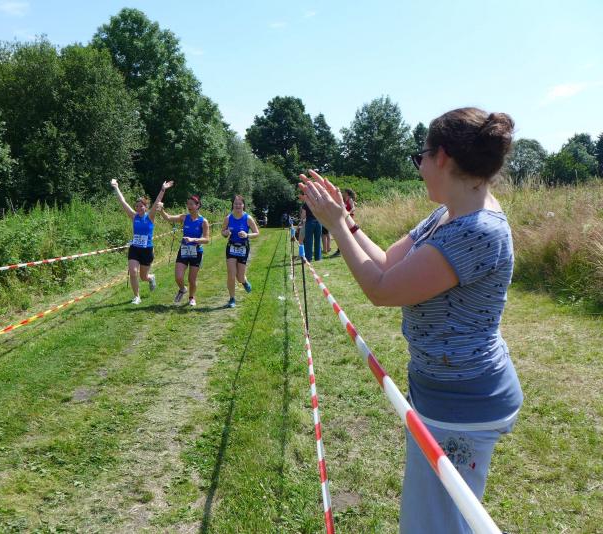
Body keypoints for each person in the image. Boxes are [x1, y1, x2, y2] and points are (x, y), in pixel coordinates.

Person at [298, 108, 523, 534]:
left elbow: (381, 290)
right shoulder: (446, 215)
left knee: (434, 527)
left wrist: (337, 226)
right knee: (434, 521)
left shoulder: (476, 230)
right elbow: (387, 263)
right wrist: (346, 221)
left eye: (420, 158)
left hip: (463, 403)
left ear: (441, 157)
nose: (419, 169)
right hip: (442, 392)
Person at [111, 178, 172, 304]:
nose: (138, 208)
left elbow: (157, 202)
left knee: (143, 277)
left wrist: (163, 189)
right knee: (133, 272)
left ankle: (151, 278)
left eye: (141, 206)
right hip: (135, 249)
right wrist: (116, 187)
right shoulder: (134, 216)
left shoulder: (150, 216)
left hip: (147, 250)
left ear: (146, 207)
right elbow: (123, 202)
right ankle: (137, 297)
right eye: (137, 206)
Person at [159, 194, 210, 307]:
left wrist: (193, 240)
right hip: (184, 250)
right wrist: (161, 210)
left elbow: (207, 239)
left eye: (191, 204)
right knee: (178, 277)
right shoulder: (184, 217)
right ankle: (182, 289)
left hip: (196, 252)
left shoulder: (203, 221)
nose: (189, 206)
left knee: (192, 279)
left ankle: (192, 297)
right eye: (188, 204)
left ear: (197, 205)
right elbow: (168, 218)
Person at [221, 195, 260, 308]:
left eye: (240, 204)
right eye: (235, 203)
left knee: (240, 277)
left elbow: (257, 233)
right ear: (233, 205)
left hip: (243, 248)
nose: (237, 206)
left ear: (243, 205)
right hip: (231, 247)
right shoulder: (228, 218)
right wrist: (225, 233)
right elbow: (223, 232)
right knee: (231, 274)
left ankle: (244, 281)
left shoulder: (248, 218)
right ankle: (232, 298)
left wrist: (247, 235)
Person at [331, 188, 356, 257]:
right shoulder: (345, 200)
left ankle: (341, 251)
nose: (343, 193)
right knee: (344, 233)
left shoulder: (350, 200)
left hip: (349, 218)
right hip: (345, 218)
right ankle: (341, 250)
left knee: (346, 233)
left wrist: (348, 212)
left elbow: (353, 208)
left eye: (344, 192)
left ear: (347, 193)